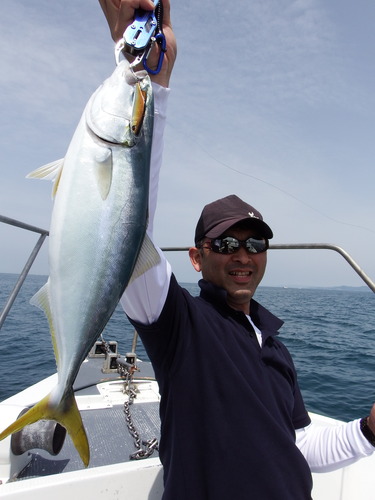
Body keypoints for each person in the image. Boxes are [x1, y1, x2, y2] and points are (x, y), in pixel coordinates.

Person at [99, 1, 375, 498]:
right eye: (226, 243)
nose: (243, 254)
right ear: (197, 257)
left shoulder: (275, 346)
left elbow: (299, 441)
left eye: (255, 243)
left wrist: (370, 430)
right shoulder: (177, 323)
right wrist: (146, 80)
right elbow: (127, 231)